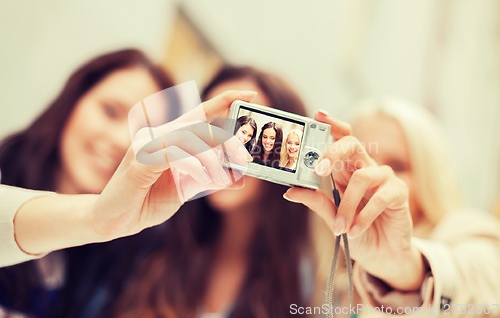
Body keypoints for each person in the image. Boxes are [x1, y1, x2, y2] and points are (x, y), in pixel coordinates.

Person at [0, 50, 255, 317]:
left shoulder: (110, 266)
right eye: (110, 111)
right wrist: (96, 217)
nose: (122, 140)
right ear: (74, 100)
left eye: (142, 134)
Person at [110, 65, 315, 318]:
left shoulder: (296, 280)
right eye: (213, 125)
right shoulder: (154, 232)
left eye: (244, 134)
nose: (221, 146)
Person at [284, 98, 500, 316]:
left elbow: (484, 285)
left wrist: (404, 269)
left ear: (430, 177)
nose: (372, 177)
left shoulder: (466, 230)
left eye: (397, 166)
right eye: (358, 164)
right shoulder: (324, 268)